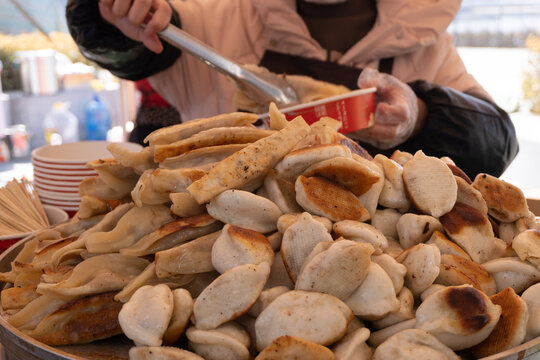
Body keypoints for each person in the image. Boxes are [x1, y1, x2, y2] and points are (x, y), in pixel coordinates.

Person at [66, 0, 518, 178]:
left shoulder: (422, 33)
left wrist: (419, 114)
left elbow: (496, 145)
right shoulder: (213, 18)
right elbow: (126, 51)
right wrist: (112, 12)